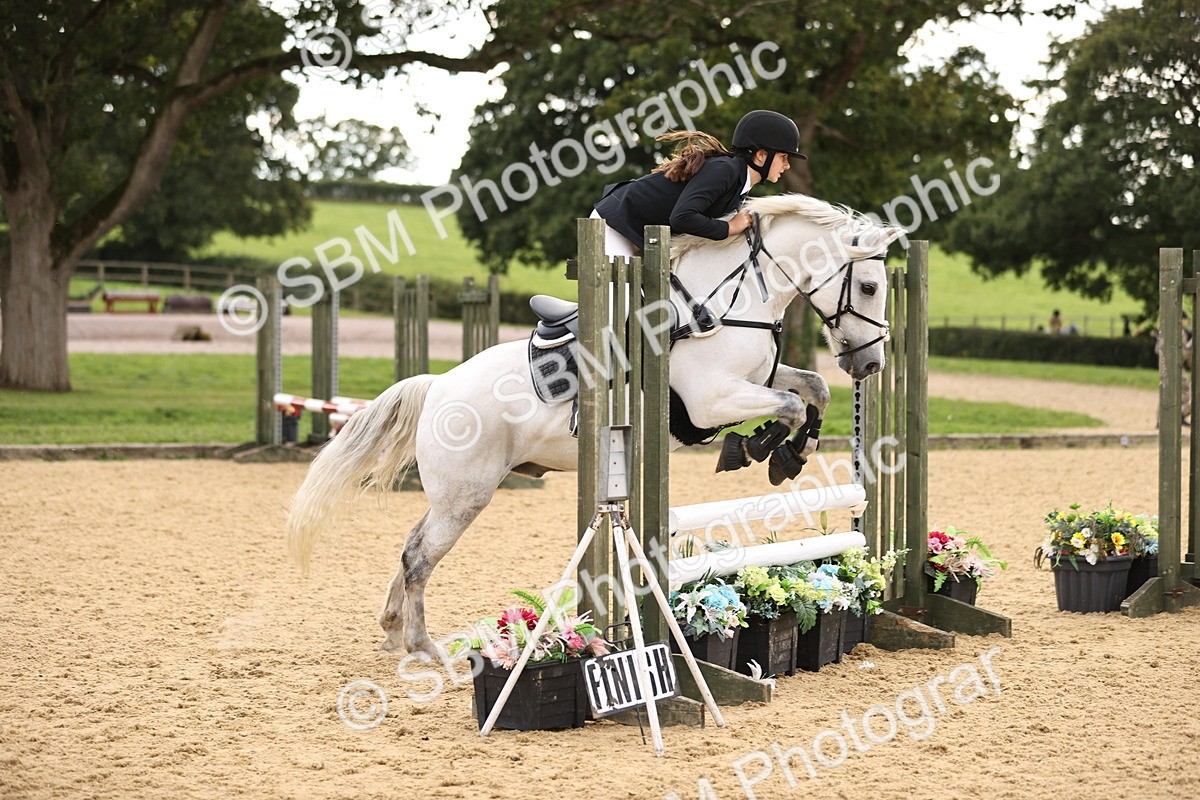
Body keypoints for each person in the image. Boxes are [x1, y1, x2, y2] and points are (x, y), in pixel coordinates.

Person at [591, 109, 805, 257]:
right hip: (617, 222)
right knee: (619, 306)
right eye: (783, 157)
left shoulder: (740, 183)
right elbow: (682, 218)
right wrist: (729, 227)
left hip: (642, 234)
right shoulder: (725, 170)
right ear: (761, 155)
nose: (787, 165)